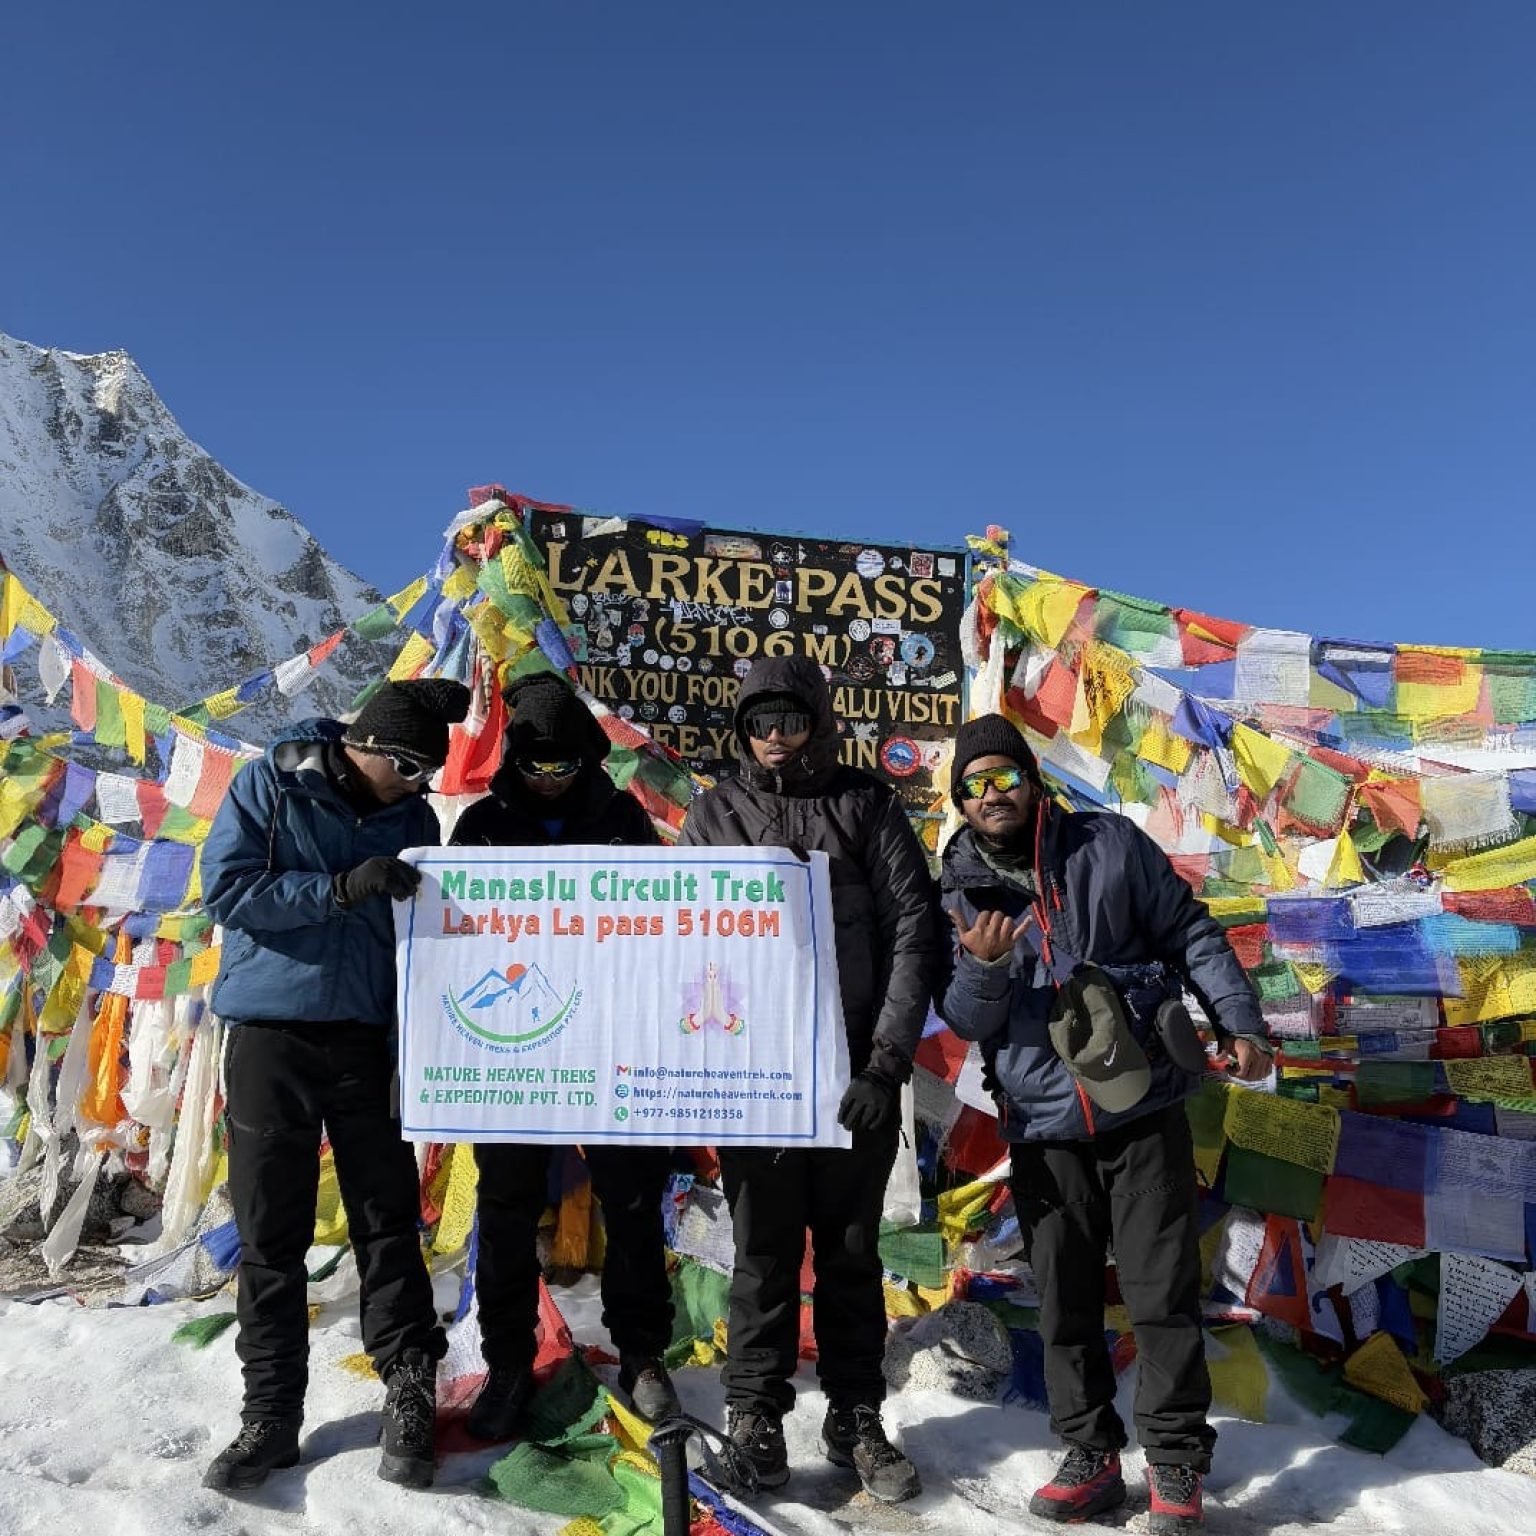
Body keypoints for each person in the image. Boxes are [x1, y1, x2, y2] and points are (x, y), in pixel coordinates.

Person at [935, 714, 1272, 1534]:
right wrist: (982, 969)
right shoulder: (954, 890)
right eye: (974, 786)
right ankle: (1089, 1454)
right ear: (960, 802)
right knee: (1065, 1303)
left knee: (1161, 1294)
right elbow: (963, 1017)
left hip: (1143, 1102)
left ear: (1030, 780)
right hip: (1043, 1124)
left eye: (1004, 777)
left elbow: (1190, 930)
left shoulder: (1110, 847)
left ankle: (1176, 1463)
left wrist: (1237, 1018)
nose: (991, 796)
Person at [200, 677, 472, 1492]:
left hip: (365, 1038)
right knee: (270, 1233)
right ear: (375, 749)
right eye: (414, 770)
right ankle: (270, 1414)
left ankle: (409, 1389)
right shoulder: (269, 784)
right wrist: (336, 889)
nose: (423, 789)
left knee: (388, 1221)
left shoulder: (413, 819)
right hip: (270, 1034)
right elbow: (229, 890)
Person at [677, 656, 936, 1504]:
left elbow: (912, 934)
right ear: (742, 730)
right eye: (759, 723)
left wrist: (886, 1063)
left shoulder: (866, 805)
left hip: (855, 1073)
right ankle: (755, 1415)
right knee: (760, 1256)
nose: (775, 738)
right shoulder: (714, 815)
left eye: (790, 719)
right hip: (759, 1080)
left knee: (852, 1254)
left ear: (819, 720)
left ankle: (856, 1413)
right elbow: (682, 942)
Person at [449, 673, 681, 1436]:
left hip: (609, 1040)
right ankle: (509, 1361)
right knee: (508, 1207)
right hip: (513, 1044)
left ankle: (644, 1354)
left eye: (563, 766)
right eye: (534, 766)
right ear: (512, 759)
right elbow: (450, 940)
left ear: (588, 757)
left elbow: (658, 928)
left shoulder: (622, 819)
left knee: (634, 1202)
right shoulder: (481, 825)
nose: (548, 781)